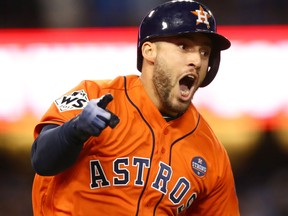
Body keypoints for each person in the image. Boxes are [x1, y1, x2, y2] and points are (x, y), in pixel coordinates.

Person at [30, 0, 240, 215]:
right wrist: (75, 130)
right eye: (183, 46)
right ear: (149, 51)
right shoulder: (94, 94)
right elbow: (42, 160)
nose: (196, 60)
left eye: (204, 52)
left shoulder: (212, 154)